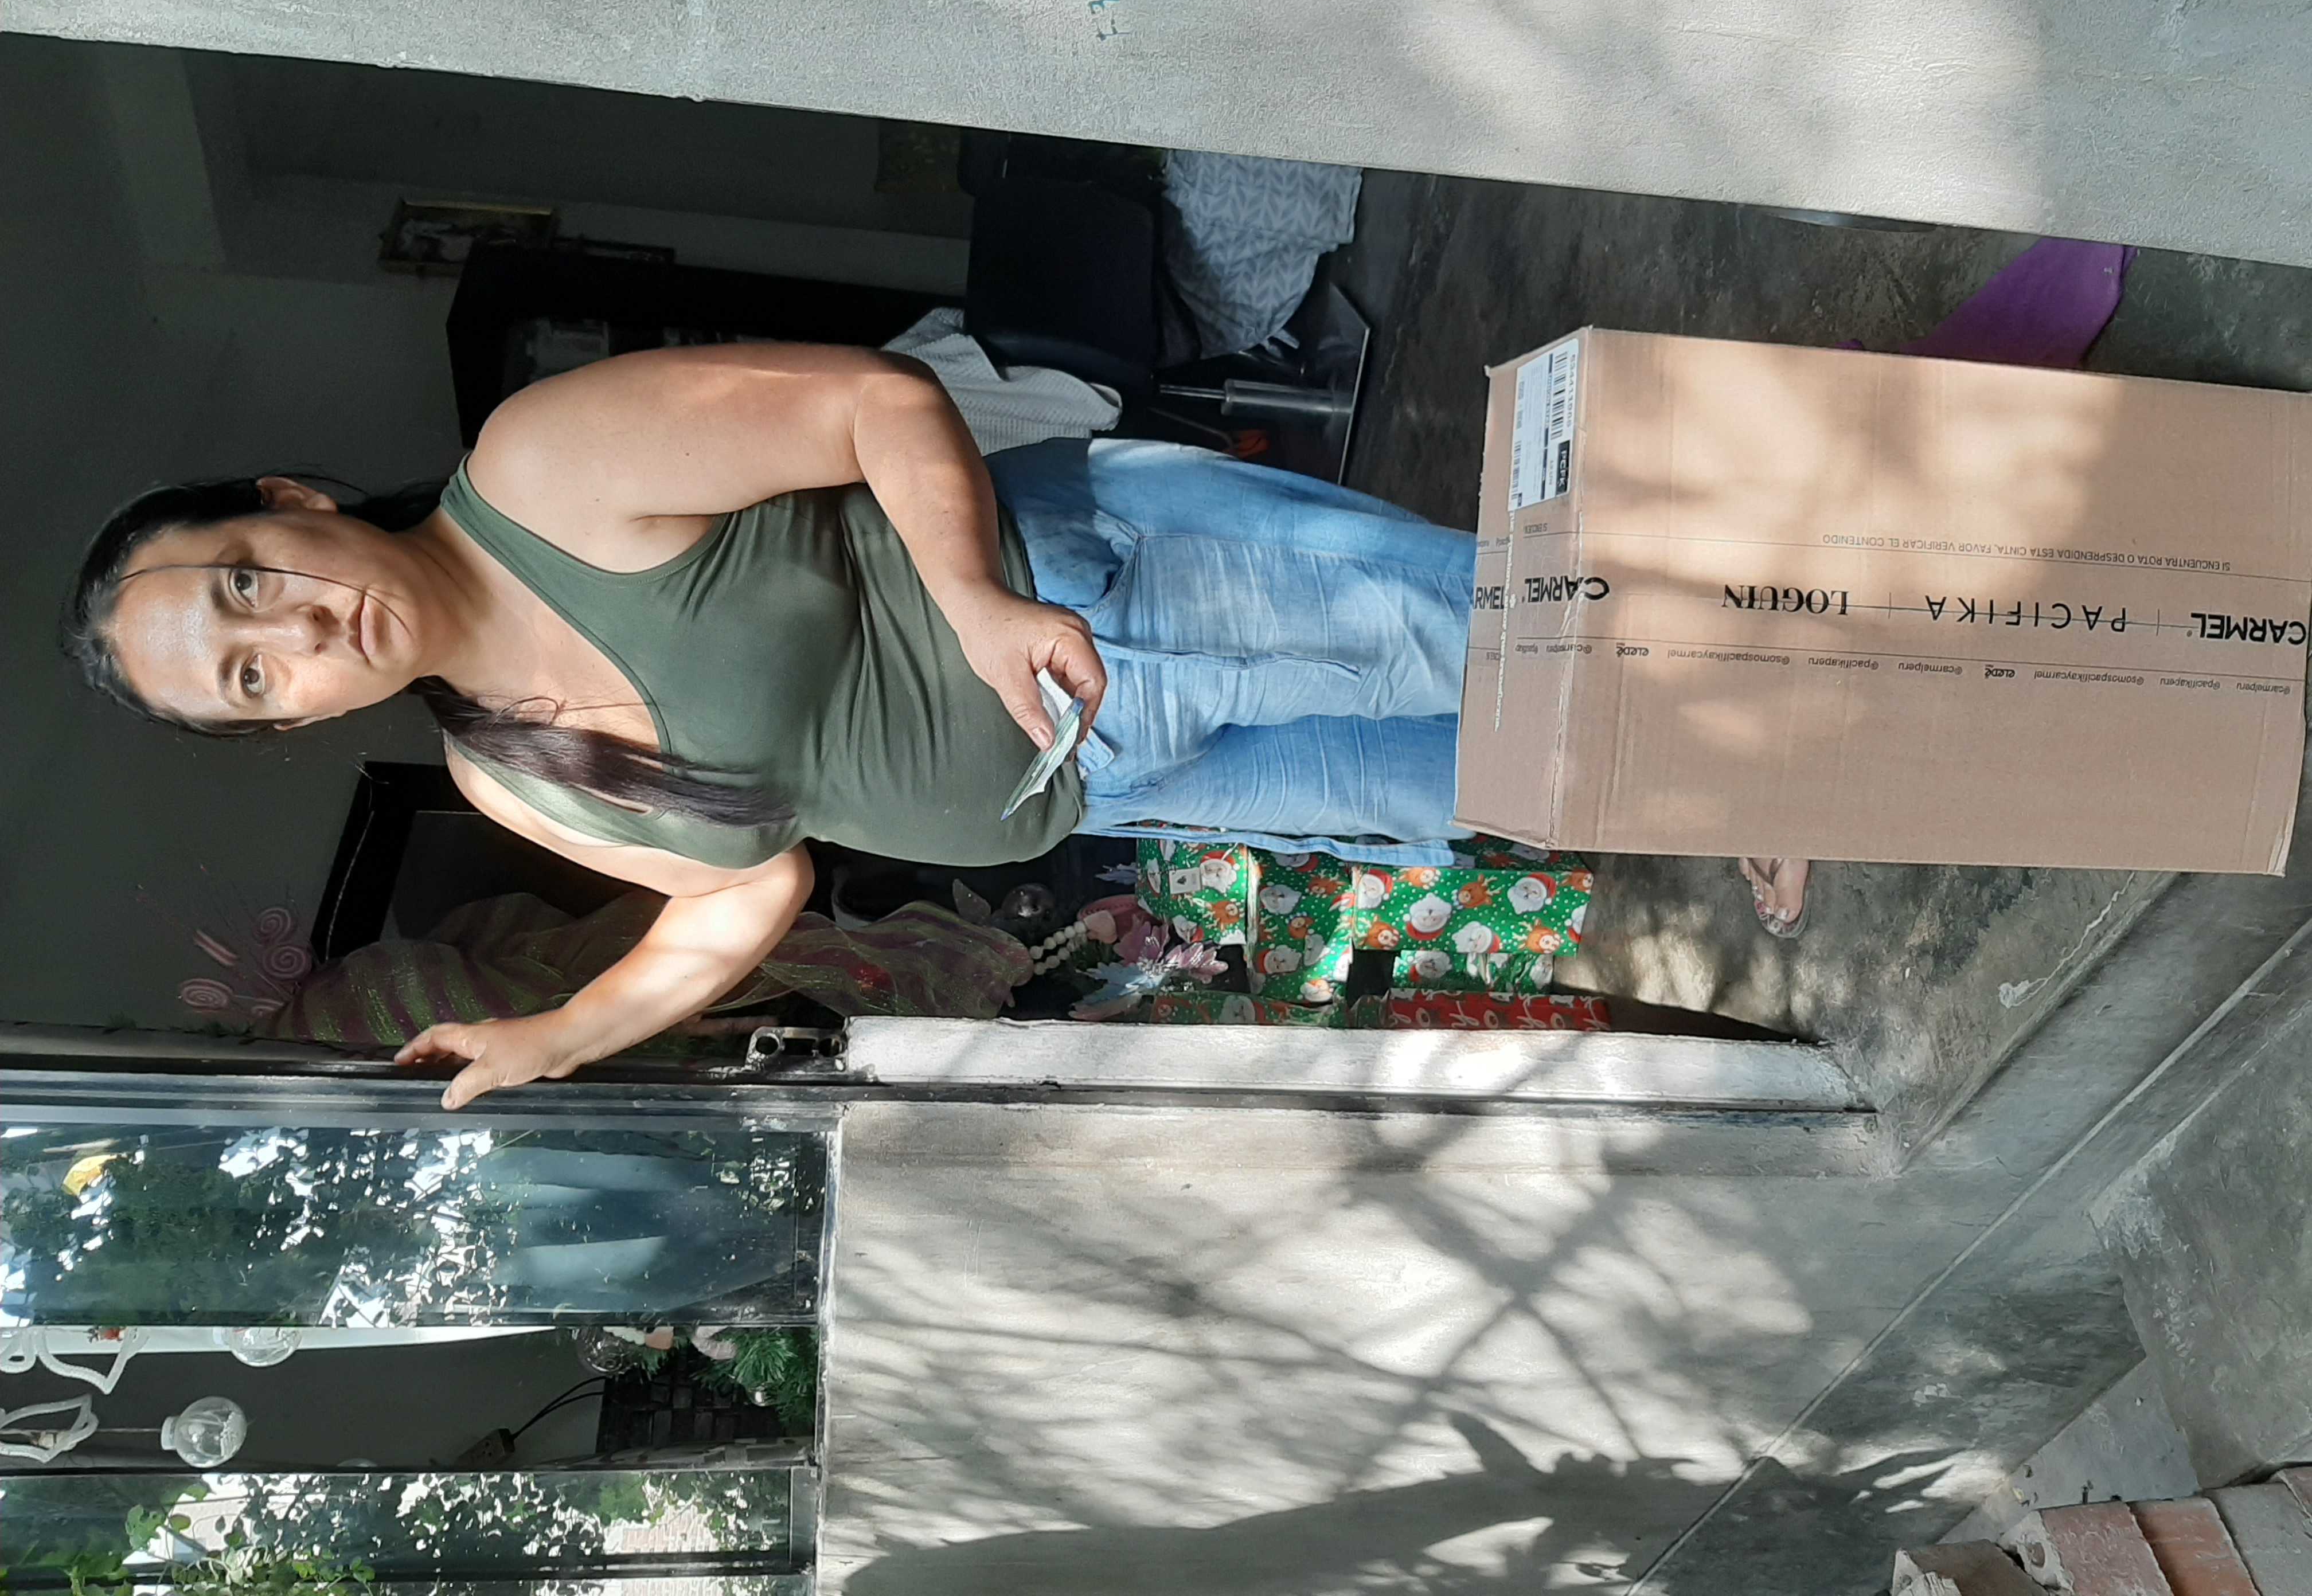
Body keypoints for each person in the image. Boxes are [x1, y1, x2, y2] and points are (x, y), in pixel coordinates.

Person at [67, 347, 1811, 1106]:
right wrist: (561, 1036)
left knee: (1491, 626)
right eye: (249, 676)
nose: (294, 634)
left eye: (246, 584)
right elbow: (744, 895)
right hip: (1100, 778)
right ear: (285, 725)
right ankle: (1784, 746)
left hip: (1089, 592)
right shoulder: (494, 769)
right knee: (1462, 774)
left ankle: (1843, 641)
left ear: (290, 504)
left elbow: (871, 403)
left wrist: (973, 604)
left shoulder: (540, 471)